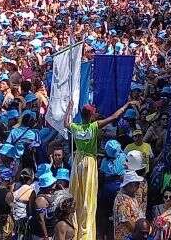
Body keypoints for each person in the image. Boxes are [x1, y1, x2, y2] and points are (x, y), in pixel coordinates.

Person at [68, 101, 132, 240]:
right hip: (89, 163)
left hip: (77, 161)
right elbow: (114, 117)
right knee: (88, 199)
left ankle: (75, 228)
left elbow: (66, 123)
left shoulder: (75, 127)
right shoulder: (94, 126)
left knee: (76, 195)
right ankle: (86, 235)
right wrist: (125, 106)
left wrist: (68, 109)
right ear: (91, 115)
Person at [114, 171, 146, 240]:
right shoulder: (122, 201)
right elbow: (127, 222)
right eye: (136, 184)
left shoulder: (132, 196)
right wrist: (140, 233)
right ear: (128, 185)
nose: (138, 187)